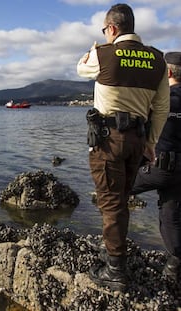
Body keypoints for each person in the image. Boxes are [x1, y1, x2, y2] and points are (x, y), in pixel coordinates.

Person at [76, 3, 170, 291]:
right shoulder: (157, 60)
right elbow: (162, 108)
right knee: (123, 198)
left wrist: (92, 48)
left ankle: (115, 270)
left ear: (112, 28)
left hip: (109, 140)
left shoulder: (103, 54)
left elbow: (81, 69)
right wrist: (151, 143)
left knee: (111, 203)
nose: (105, 35)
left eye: (105, 30)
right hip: (138, 140)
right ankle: (114, 250)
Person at [131, 52, 181, 282]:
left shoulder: (159, 100)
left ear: (167, 73)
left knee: (116, 190)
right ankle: (174, 268)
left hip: (159, 169)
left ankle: (114, 251)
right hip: (179, 172)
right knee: (170, 216)